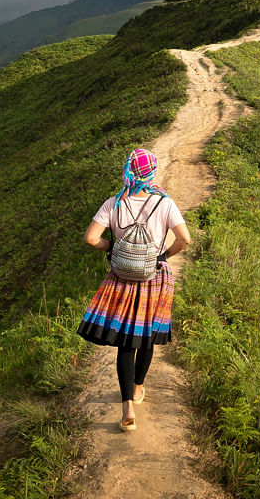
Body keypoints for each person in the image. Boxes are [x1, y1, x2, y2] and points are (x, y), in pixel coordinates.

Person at [77, 147, 192, 432]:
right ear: (151, 172)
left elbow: (91, 238)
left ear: (128, 170)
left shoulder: (114, 203)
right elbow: (185, 239)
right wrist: (163, 256)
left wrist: (113, 248)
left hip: (122, 279)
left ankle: (127, 407)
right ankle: (139, 388)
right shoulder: (164, 203)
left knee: (126, 343)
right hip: (154, 278)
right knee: (146, 337)